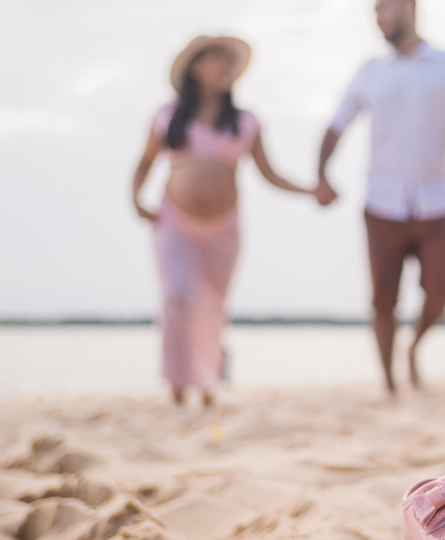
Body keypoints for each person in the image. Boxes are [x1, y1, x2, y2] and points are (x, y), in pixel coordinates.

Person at [131, 36, 327, 408]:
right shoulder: (168, 116)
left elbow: (271, 174)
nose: (227, 67)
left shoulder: (245, 121)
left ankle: (207, 387)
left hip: (223, 230)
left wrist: (310, 191)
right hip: (174, 222)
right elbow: (144, 163)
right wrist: (136, 199)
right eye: (217, 59)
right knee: (177, 297)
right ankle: (177, 386)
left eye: (230, 61)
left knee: (211, 306)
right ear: (195, 68)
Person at [316, 0, 445, 395]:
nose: (378, 17)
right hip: (382, 201)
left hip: (437, 200)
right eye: (375, 10)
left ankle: (415, 346)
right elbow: (338, 122)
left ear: (409, 6)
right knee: (382, 300)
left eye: (384, 8)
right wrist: (322, 173)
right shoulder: (370, 71)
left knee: (442, 289)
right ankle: (390, 382)